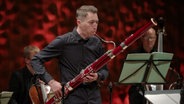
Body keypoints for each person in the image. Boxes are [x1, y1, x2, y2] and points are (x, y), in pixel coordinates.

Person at [31, 5, 109, 104]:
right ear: (79, 22)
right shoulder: (64, 41)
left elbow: (105, 70)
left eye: (97, 22)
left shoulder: (97, 42)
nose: (95, 26)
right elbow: (36, 60)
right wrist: (51, 82)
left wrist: (97, 76)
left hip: (94, 98)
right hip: (73, 98)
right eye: (91, 22)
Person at [128, 28, 157, 104]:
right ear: (142, 38)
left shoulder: (159, 55)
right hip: (137, 92)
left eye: (152, 38)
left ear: (155, 39)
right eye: (147, 37)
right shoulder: (134, 54)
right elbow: (129, 75)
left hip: (155, 91)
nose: (149, 41)